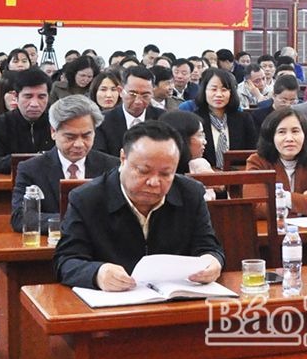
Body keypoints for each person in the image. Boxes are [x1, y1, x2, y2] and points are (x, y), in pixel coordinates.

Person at [54, 121, 224, 290]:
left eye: (166, 173)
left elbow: (208, 247)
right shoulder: (87, 198)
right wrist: (97, 273)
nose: (154, 182)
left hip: (178, 299)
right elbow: (66, 261)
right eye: (144, 171)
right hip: (113, 301)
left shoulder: (190, 193)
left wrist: (212, 261)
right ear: (123, 158)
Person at [10, 96, 120, 232]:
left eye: (86, 136)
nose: (79, 144)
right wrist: (75, 221)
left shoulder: (111, 166)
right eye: (70, 137)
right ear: (53, 132)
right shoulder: (31, 169)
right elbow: (21, 217)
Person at [246, 108, 307, 216]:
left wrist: (285, 197)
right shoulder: (257, 162)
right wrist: (305, 203)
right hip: (273, 227)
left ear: (305, 135)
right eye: (281, 132)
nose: (289, 138)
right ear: (271, 137)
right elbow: (257, 208)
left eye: (295, 131)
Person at [0, 68, 54, 173]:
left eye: (41, 97)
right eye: (28, 96)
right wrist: (34, 160)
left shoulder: (57, 124)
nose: (34, 104)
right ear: (16, 96)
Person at [193, 67, 258, 169]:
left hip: (239, 175)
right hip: (204, 176)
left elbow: (252, 153)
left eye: (224, 90)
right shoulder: (194, 120)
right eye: (214, 89)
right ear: (204, 91)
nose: (219, 95)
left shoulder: (244, 119)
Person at [91, 67, 164, 156]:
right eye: (132, 94)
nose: (138, 101)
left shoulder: (162, 119)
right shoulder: (103, 121)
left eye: (145, 95)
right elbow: (100, 157)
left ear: (152, 93)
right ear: (120, 91)